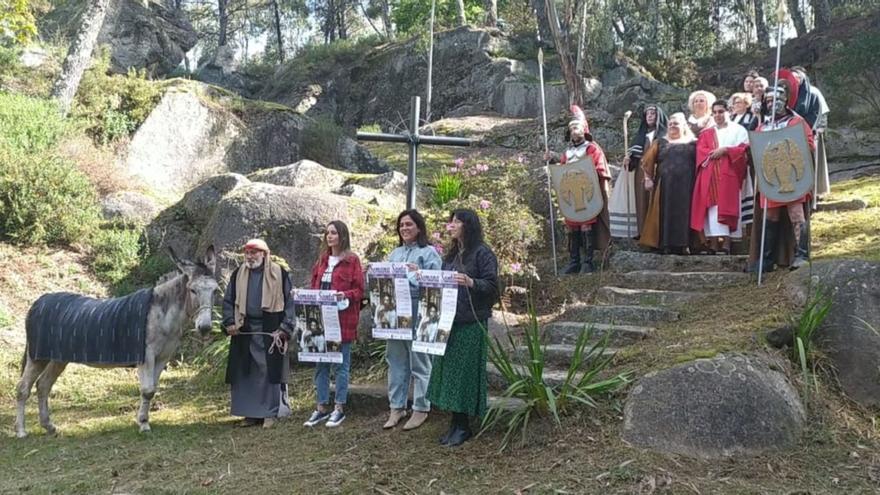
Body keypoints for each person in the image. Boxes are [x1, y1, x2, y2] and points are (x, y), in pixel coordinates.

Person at [427, 208, 499, 447]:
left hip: (471, 322)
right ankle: (454, 423)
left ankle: (464, 426)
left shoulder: (482, 253)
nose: (452, 225)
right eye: (451, 221)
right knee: (449, 372)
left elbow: (492, 287)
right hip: (449, 321)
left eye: (457, 221)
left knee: (464, 374)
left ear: (468, 225)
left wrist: (471, 282)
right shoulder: (451, 255)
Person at [222, 239, 295, 429]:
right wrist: (229, 322)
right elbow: (229, 300)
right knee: (245, 372)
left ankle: (270, 413)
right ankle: (250, 414)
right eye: (247, 252)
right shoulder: (238, 274)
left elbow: (289, 302)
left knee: (268, 372)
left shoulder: (279, 274)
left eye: (254, 252)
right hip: (244, 329)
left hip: (271, 330)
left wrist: (285, 328)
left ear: (264, 254)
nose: (250, 256)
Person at [382, 209, 442, 431]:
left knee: (420, 359)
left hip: (419, 311)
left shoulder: (429, 253)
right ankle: (396, 407)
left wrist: (421, 274)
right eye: (401, 225)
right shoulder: (395, 254)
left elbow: (438, 285)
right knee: (395, 359)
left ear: (419, 227)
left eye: (409, 224)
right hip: (395, 312)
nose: (404, 228)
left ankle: (421, 407)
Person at [303, 221, 364, 428]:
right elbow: (314, 288)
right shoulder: (322, 260)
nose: (330, 237)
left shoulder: (352, 260)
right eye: (327, 233)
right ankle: (321, 407)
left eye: (334, 233)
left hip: (342, 320)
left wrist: (343, 295)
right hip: (321, 320)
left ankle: (339, 408)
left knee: (341, 365)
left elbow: (359, 292)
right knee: (321, 364)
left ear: (342, 236)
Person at [748, 84, 815, 273]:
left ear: (785, 100)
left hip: (792, 177)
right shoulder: (762, 126)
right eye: (768, 100)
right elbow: (756, 150)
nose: (772, 103)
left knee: (796, 214)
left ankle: (801, 255)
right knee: (770, 216)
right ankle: (767, 259)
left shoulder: (796, 122)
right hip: (770, 178)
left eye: (776, 99)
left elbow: (809, 145)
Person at [545, 105, 612, 274]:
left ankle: (587, 262)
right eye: (572, 128)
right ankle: (574, 261)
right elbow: (563, 170)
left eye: (577, 127)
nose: (574, 130)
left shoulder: (592, 148)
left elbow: (598, 169)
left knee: (586, 226)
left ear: (584, 129)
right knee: (572, 227)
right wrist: (553, 161)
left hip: (586, 193)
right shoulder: (567, 152)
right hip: (572, 196)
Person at [691, 100, 751, 254]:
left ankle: (727, 243)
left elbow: (743, 149)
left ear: (728, 111)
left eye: (721, 111)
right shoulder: (707, 133)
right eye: (715, 112)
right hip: (710, 175)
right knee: (711, 209)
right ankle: (713, 244)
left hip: (729, 174)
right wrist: (713, 153)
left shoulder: (739, 130)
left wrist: (726, 150)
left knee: (727, 206)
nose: (717, 115)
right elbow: (701, 150)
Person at [638, 113, 697, 254]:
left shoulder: (694, 142)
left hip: (687, 185)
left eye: (676, 123)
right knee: (665, 211)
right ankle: (665, 244)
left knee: (686, 212)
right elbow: (647, 162)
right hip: (665, 185)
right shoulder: (660, 142)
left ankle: (685, 245)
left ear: (683, 125)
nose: (672, 126)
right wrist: (648, 179)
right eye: (670, 124)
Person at [615, 104, 668, 239]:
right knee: (642, 202)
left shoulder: (665, 135)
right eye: (647, 114)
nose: (649, 116)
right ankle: (643, 233)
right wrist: (629, 161)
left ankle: (658, 236)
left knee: (658, 202)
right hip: (641, 172)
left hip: (659, 171)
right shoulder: (641, 136)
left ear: (659, 116)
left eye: (653, 113)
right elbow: (634, 160)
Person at [792, 66, 831, 198]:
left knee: (813, 163)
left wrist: (819, 129)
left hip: (811, 132)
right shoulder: (789, 93)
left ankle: (815, 193)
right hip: (791, 134)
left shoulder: (813, 92)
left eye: (798, 77)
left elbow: (822, 112)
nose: (796, 80)